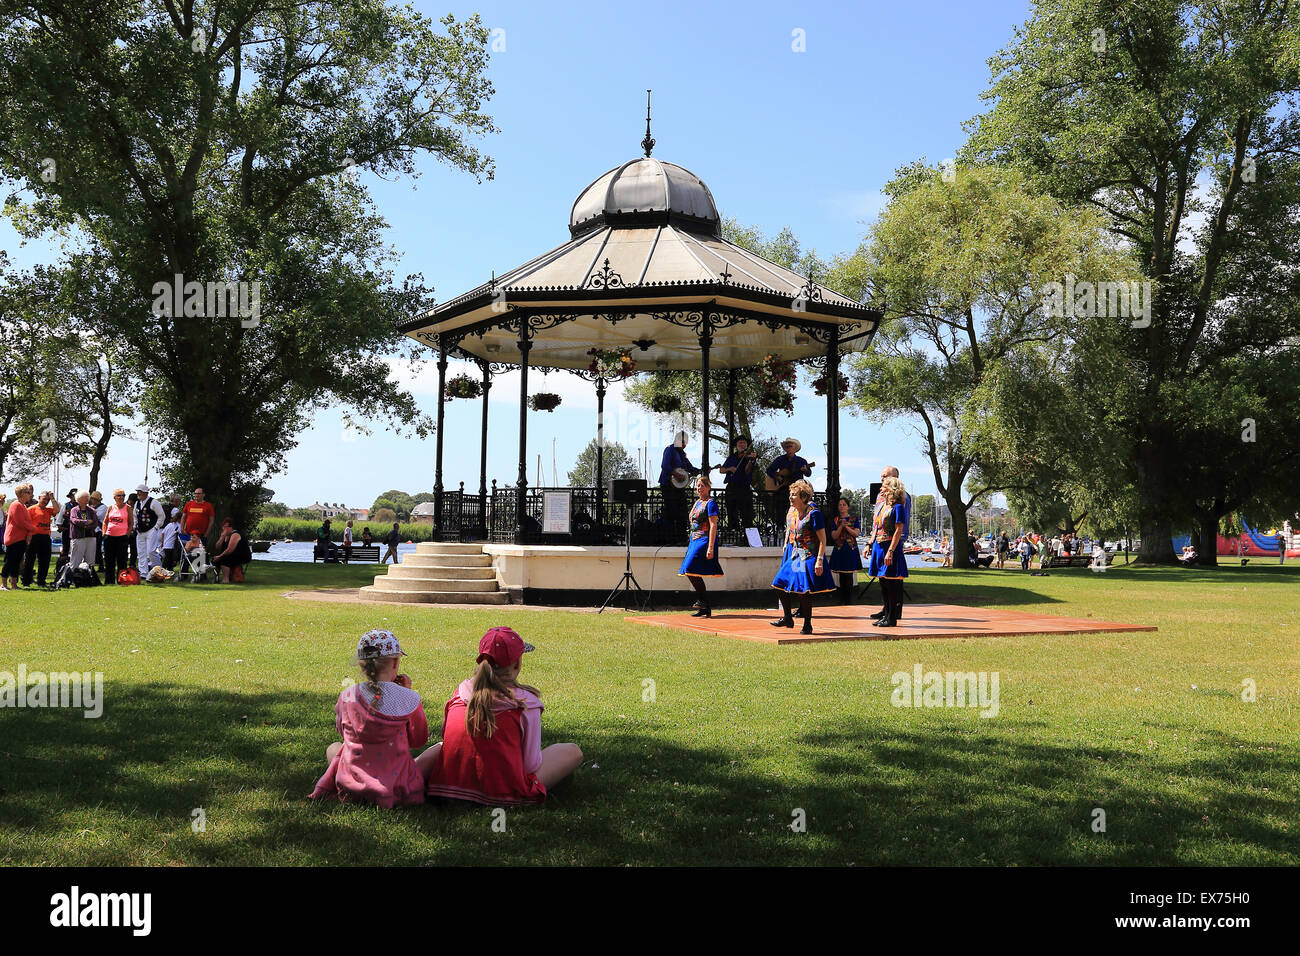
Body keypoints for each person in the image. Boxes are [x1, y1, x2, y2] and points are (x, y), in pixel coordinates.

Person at [421, 626, 583, 805]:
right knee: (572, 751)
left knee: (439, 747)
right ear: (517, 663)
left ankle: (403, 777)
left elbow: (448, 742)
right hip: (504, 794)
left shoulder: (460, 694)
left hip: (449, 789)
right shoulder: (525, 704)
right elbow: (530, 765)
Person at [310, 629, 429, 808]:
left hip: (351, 787)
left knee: (334, 748)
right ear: (395, 662)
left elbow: (343, 733)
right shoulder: (410, 699)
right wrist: (407, 691)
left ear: (362, 665)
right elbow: (419, 740)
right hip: (394, 789)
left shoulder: (347, 696)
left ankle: (347, 780)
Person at [770, 479, 835, 634]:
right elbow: (790, 530)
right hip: (796, 554)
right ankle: (787, 617)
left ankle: (807, 624)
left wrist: (819, 560)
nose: (790, 497)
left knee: (803, 591)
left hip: (809, 555)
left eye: (794, 495)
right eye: (790, 494)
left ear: (803, 497)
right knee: (779, 583)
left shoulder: (814, 514)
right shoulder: (794, 512)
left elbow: (822, 539)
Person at [677, 475, 723, 617]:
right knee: (688, 570)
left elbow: (713, 525)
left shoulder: (711, 503)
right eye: (698, 486)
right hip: (694, 539)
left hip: (704, 539)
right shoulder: (697, 502)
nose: (699, 488)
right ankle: (704, 605)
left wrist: (710, 547)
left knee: (690, 566)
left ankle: (703, 601)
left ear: (708, 487)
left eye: (702, 485)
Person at [868, 477, 909, 628]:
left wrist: (890, 551)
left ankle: (892, 617)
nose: (881, 489)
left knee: (891, 583)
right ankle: (886, 615)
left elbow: (899, 530)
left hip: (889, 547)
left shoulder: (898, 507)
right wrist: (869, 544)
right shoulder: (881, 506)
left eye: (884, 486)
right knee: (883, 581)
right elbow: (876, 528)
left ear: (892, 488)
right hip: (879, 546)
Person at [657, 430, 697, 543]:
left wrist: (698, 470)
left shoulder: (682, 454)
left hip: (678, 488)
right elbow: (665, 465)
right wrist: (677, 474)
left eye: (686, 443)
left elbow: (690, 467)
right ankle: (670, 539)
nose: (684, 445)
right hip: (668, 486)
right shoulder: (670, 450)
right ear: (677, 440)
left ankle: (681, 538)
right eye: (683, 442)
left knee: (682, 512)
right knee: (671, 512)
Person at [764, 438, 811, 525]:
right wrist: (777, 476)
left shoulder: (801, 461)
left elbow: (809, 473)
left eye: (790, 446)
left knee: (796, 511)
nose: (789, 448)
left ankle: (796, 529)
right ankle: (780, 529)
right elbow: (769, 470)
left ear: (794, 448)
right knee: (780, 512)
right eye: (787, 446)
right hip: (783, 490)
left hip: (797, 491)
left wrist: (805, 470)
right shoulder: (780, 459)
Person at [2, 484, 37, 591]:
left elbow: (26, 521)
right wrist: (33, 529)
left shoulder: (23, 506)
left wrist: (29, 532)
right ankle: (3, 584)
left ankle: (13, 584)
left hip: (21, 538)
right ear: (21, 494)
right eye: (27, 492)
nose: (30, 494)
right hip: (14, 538)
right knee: (10, 561)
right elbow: (20, 522)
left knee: (17, 562)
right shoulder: (15, 505)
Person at [828, 496, 863, 603]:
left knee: (849, 575)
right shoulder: (835, 520)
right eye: (840, 505)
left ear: (847, 507)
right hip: (839, 549)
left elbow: (856, 534)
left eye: (844, 504)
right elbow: (834, 536)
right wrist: (840, 527)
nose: (842, 506)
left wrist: (846, 527)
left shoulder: (854, 519)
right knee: (841, 575)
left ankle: (849, 599)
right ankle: (842, 598)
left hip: (850, 549)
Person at [719, 436, 757, 531]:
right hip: (731, 487)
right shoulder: (732, 457)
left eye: (744, 443)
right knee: (731, 513)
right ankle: (733, 533)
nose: (742, 444)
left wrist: (751, 460)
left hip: (744, 488)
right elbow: (721, 470)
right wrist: (730, 469)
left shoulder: (749, 457)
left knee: (746, 514)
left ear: (747, 445)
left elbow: (747, 471)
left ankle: (747, 538)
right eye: (740, 443)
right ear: (736, 445)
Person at [21, 489, 58, 588]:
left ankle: (41, 581)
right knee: (30, 560)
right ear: (39, 498)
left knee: (45, 560)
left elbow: (57, 510)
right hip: (33, 537)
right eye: (44, 499)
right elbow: (25, 523)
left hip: (45, 537)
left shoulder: (48, 509)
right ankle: (26, 581)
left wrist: (53, 499)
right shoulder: (31, 509)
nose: (46, 501)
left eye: (47, 500)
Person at [132, 483, 166, 576]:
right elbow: (135, 515)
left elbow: (161, 516)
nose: (138, 493)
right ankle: (143, 572)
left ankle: (158, 571)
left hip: (151, 529)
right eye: (137, 491)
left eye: (140, 491)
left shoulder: (153, 502)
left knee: (151, 551)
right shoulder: (137, 503)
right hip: (140, 531)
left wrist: (156, 527)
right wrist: (135, 525)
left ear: (145, 492)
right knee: (141, 553)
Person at [101, 489, 133, 584]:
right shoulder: (111, 507)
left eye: (123, 495)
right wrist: (104, 533)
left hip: (122, 537)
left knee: (122, 560)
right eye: (119, 495)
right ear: (114, 497)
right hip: (109, 536)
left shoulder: (128, 508)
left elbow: (131, 523)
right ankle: (109, 581)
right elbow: (105, 521)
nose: (121, 497)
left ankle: (122, 580)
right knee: (109, 560)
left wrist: (127, 534)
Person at [211, 518, 253, 582]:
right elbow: (217, 547)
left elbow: (229, 550)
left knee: (224, 560)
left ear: (231, 527)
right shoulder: (224, 535)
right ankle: (216, 578)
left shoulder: (235, 534)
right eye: (223, 527)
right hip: (231, 554)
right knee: (215, 561)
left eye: (226, 527)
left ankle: (226, 579)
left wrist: (220, 556)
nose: (224, 529)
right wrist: (222, 537)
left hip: (241, 555)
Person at [66, 491, 99, 572]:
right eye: (85, 497)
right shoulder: (74, 510)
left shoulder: (92, 510)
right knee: (76, 559)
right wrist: (86, 522)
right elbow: (74, 520)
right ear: (79, 499)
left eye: (88, 497)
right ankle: (73, 576)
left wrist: (84, 525)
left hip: (90, 537)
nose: (87, 499)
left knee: (90, 560)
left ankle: (89, 576)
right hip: (78, 537)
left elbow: (95, 522)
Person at [90, 491, 107, 570]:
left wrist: (91, 513)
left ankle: (101, 565)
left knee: (98, 548)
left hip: (99, 530)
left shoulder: (103, 507)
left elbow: (98, 516)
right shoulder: (90, 507)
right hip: (91, 530)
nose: (92, 500)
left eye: (93, 499)